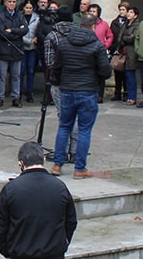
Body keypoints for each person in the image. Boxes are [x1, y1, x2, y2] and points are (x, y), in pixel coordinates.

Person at [46, 12, 111, 178]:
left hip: (67, 90)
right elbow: (106, 71)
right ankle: (79, 168)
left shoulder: (65, 43)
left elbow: (56, 66)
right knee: (84, 130)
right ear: (94, 26)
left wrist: (63, 81)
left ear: (80, 24)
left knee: (64, 126)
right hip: (88, 91)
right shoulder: (96, 45)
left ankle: (57, 165)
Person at [0, 0, 27, 108]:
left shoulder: (20, 14)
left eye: (14, 2)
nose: (12, 4)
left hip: (16, 49)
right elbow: (1, 33)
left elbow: (25, 30)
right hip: (3, 49)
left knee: (16, 75)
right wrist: (17, 31)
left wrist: (12, 30)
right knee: (1, 76)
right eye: (10, 1)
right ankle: (0, 98)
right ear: (5, 2)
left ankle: (16, 98)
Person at [108, 2, 130, 102]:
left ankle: (125, 92)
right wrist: (112, 47)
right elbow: (111, 35)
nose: (121, 12)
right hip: (116, 50)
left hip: (125, 50)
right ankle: (117, 93)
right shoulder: (114, 22)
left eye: (123, 10)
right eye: (120, 9)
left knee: (125, 73)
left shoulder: (129, 22)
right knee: (117, 72)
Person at [119, 5, 140, 106]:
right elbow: (120, 36)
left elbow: (133, 37)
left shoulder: (137, 25)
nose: (128, 14)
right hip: (124, 51)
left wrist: (124, 38)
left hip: (131, 52)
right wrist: (123, 39)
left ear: (135, 15)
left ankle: (132, 97)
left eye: (131, 12)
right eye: (129, 12)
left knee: (131, 75)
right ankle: (128, 96)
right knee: (126, 75)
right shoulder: (125, 24)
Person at [19, 0, 40, 104]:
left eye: (30, 8)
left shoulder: (37, 18)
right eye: (26, 8)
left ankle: (29, 92)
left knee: (31, 70)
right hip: (22, 46)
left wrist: (36, 38)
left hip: (33, 47)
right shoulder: (19, 17)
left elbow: (39, 30)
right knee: (21, 70)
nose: (28, 10)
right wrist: (27, 41)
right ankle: (18, 92)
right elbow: (18, 32)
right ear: (23, 8)